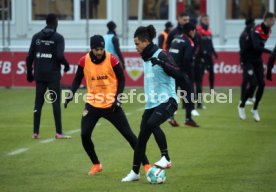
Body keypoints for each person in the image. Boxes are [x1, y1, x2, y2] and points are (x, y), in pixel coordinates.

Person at [64, 35, 150, 175]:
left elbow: (122, 80)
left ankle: (146, 164)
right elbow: (77, 80)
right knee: (84, 135)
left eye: (101, 49)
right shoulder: (83, 61)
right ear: (91, 48)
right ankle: (96, 164)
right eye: (96, 49)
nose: (99, 52)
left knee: (129, 135)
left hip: (111, 105)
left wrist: (118, 98)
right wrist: (70, 94)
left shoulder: (112, 59)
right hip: (92, 105)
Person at [121, 25, 180, 182]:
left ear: (146, 41)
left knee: (153, 123)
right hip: (151, 104)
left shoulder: (162, 54)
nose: (135, 47)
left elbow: (176, 71)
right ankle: (135, 172)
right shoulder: (146, 58)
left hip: (168, 100)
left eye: (137, 43)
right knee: (141, 139)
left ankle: (166, 157)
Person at [26, 13, 71, 139]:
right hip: (52, 75)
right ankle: (58, 132)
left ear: (46, 22)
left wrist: (29, 73)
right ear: (55, 22)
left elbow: (29, 57)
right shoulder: (58, 38)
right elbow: (60, 56)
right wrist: (66, 65)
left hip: (39, 74)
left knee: (38, 103)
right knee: (55, 103)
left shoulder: (36, 37)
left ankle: (35, 132)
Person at [238, 12, 275, 122]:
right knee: (253, 83)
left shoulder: (268, 30)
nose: (274, 23)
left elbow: (260, 48)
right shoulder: (256, 30)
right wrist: (271, 52)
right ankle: (241, 106)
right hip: (247, 59)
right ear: (267, 20)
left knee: (262, 84)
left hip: (257, 60)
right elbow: (257, 46)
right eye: (273, 20)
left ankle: (255, 109)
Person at [168, 22, 200, 127]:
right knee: (190, 94)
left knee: (173, 95)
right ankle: (188, 119)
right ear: (191, 31)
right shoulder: (188, 42)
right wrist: (186, 73)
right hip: (180, 72)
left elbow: (170, 53)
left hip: (171, 70)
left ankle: (170, 117)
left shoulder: (176, 38)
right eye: (195, 30)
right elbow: (187, 58)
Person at [196, 14, 218, 92]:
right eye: (205, 19)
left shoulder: (209, 30)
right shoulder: (198, 30)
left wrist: (214, 52)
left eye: (207, 19)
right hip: (201, 56)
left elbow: (210, 43)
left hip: (209, 55)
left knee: (211, 72)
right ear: (201, 21)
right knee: (201, 73)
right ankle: (199, 89)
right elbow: (197, 43)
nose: (207, 21)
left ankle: (212, 89)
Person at [239, 18, 256, 105]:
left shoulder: (250, 34)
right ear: (249, 24)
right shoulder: (244, 35)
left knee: (252, 80)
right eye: (253, 24)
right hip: (246, 61)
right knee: (246, 80)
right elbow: (243, 50)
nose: (254, 25)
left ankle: (249, 97)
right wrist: (243, 61)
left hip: (251, 61)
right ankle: (242, 99)